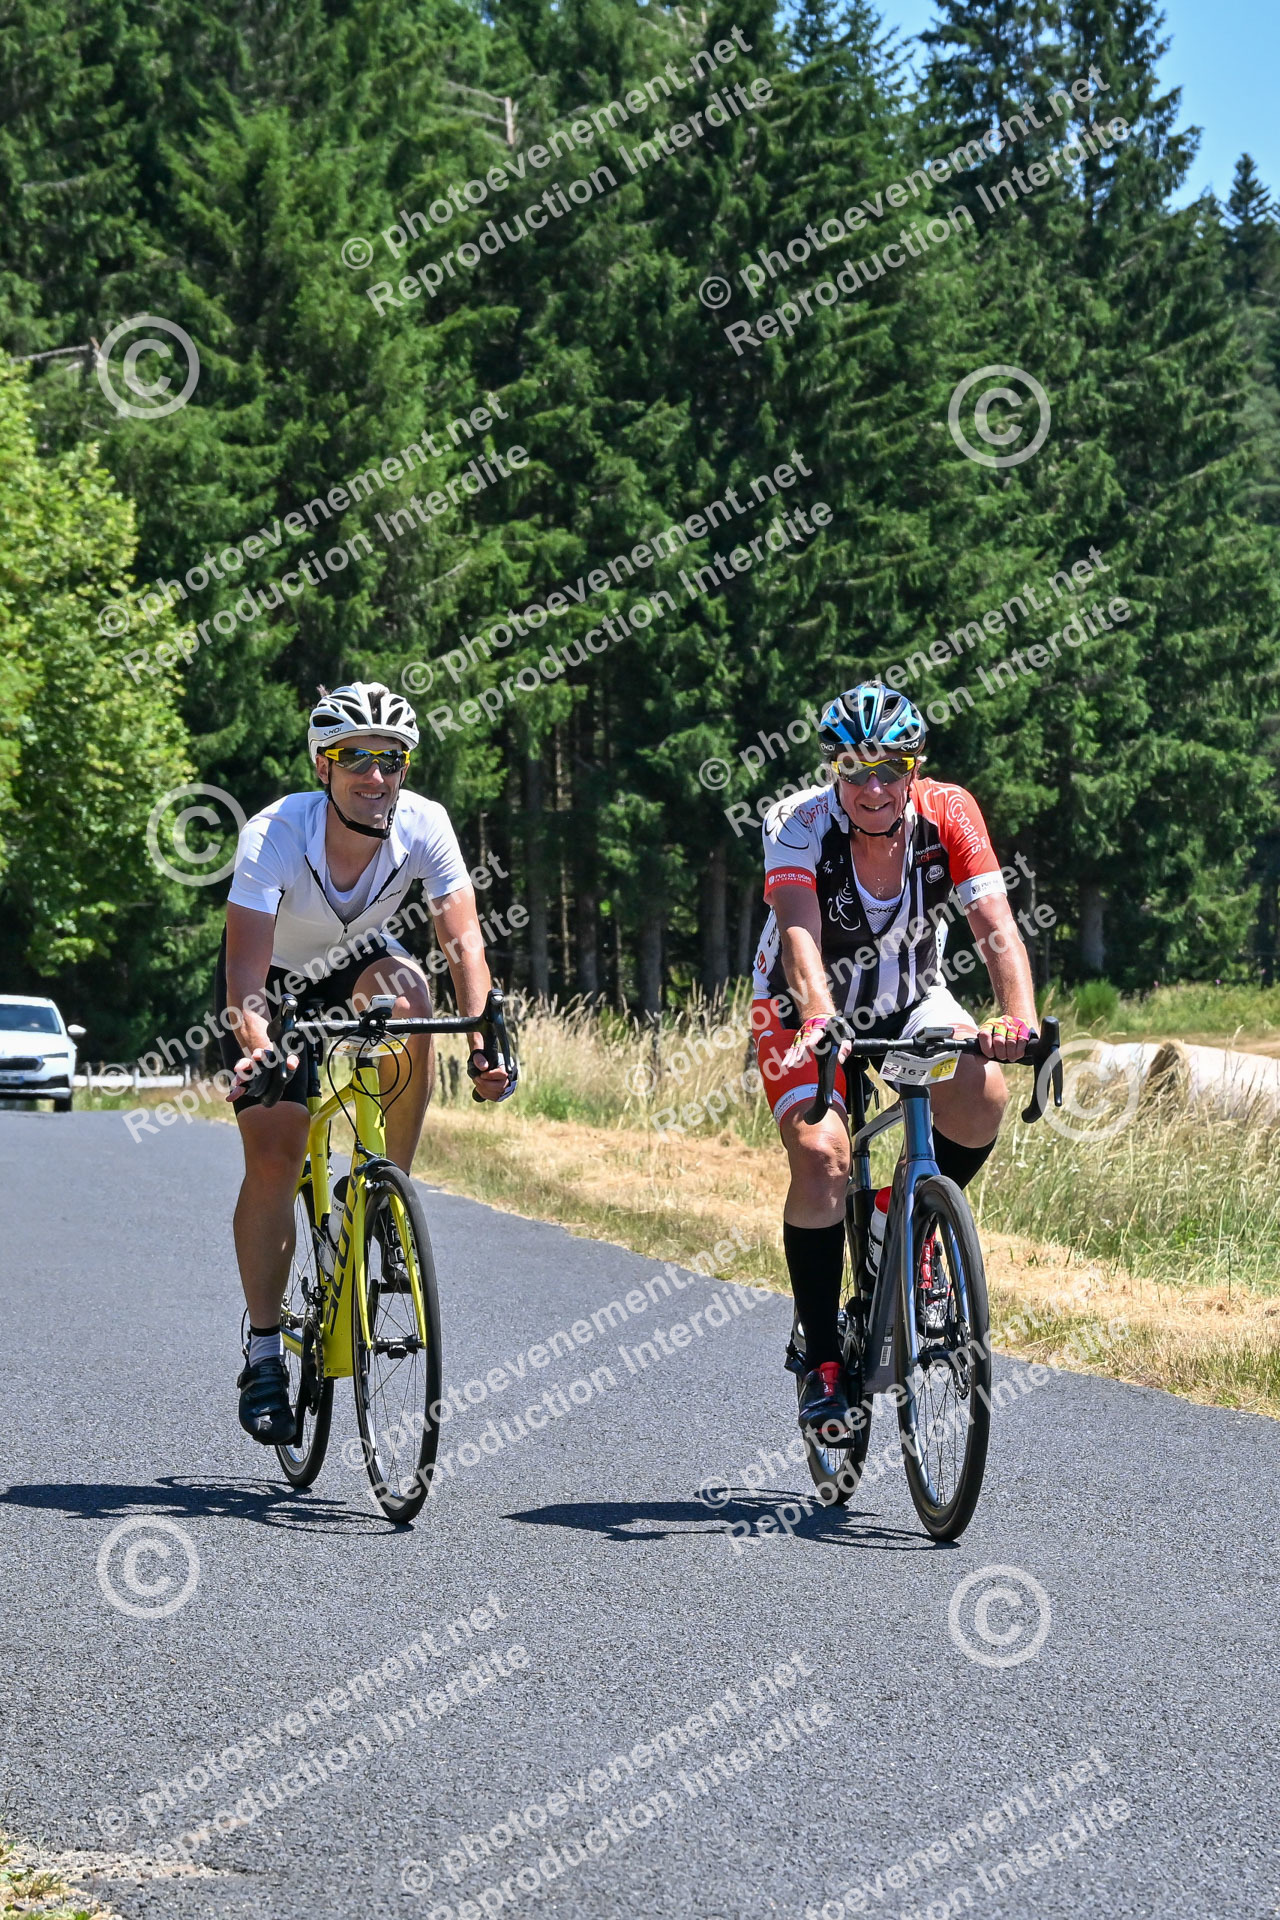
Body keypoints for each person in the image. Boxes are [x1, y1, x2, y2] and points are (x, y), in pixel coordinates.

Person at [216, 681, 510, 1444]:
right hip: (274, 981)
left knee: (412, 995)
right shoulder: (275, 834)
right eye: (354, 758)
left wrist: (483, 1039)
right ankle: (263, 1350)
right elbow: (244, 975)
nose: (375, 776)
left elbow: (463, 942)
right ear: (323, 766)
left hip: (357, 960)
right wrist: (262, 1049)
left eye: (390, 759)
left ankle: (386, 1197)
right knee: (276, 1152)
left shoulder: (424, 824)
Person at [750, 681, 1035, 1436]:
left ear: (915, 767)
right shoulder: (798, 825)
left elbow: (994, 924)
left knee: (983, 1091)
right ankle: (822, 1360)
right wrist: (820, 1018)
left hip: (910, 996)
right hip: (799, 1004)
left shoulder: (950, 812)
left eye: (889, 769)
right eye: (854, 768)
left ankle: (898, 1220)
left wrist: (1018, 1019)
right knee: (823, 1156)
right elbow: (799, 935)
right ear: (833, 769)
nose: (872, 787)